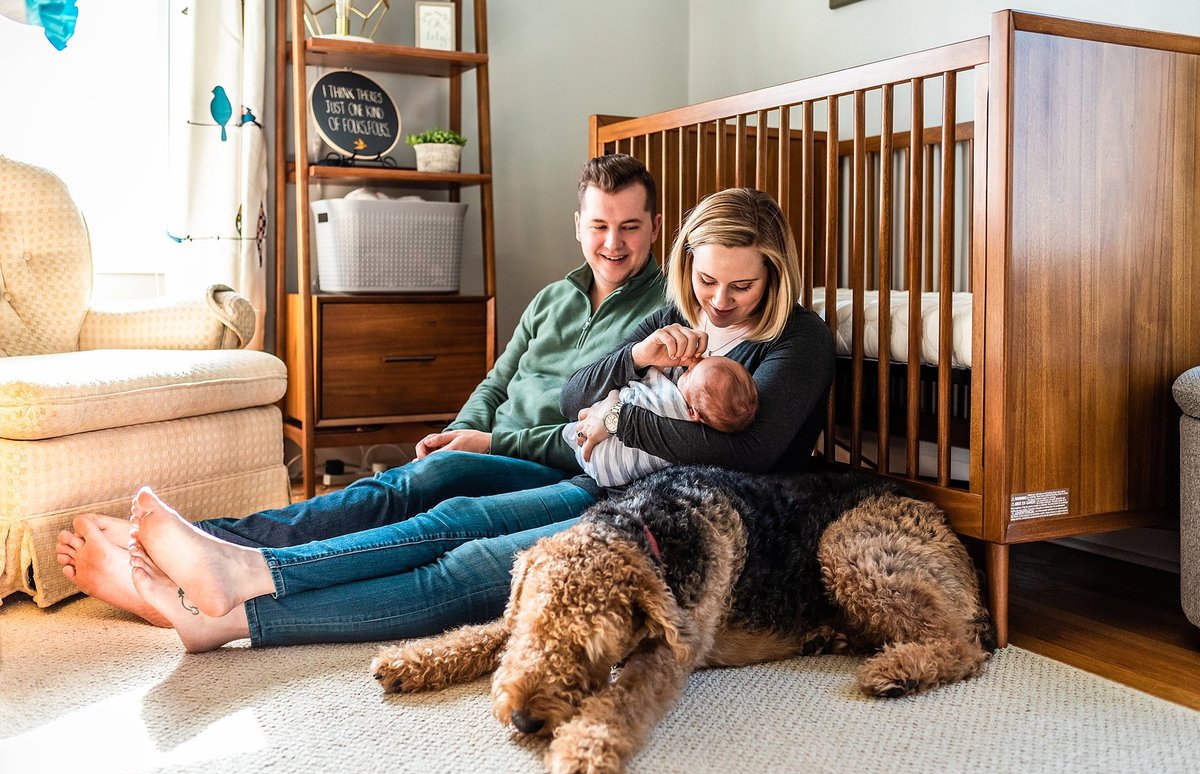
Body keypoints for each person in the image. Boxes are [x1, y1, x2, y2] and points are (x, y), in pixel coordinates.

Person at [119, 186, 836, 653]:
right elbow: (570, 398)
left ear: (775, 274)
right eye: (707, 280)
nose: (717, 302)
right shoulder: (676, 313)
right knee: (446, 513)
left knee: (466, 567)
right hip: (607, 481)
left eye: (740, 285)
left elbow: (747, 453)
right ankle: (240, 567)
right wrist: (637, 356)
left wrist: (623, 422)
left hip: (670, 511)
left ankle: (236, 605)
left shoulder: (796, 340)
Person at [55, 153, 667, 626]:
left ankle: (195, 551)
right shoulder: (553, 296)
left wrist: (488, 443)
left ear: (655, 227)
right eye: (600, 226)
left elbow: (604, 434)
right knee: (386, 493)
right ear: (578, 225)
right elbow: (497, 379)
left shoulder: (661, 316)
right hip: (489, 444)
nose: (612, 243)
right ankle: (194, 545)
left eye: (630, 228)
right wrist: (461, 429)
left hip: (550, 469)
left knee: (414, 488)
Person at [563, 354, 758, 487]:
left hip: (602, 457)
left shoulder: (672, 403)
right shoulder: (698, 415)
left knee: (578, 425)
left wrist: (612, 399)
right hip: (610, 477)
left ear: (693, 412)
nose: (688, 368)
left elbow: (642, 387)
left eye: (689, 374)